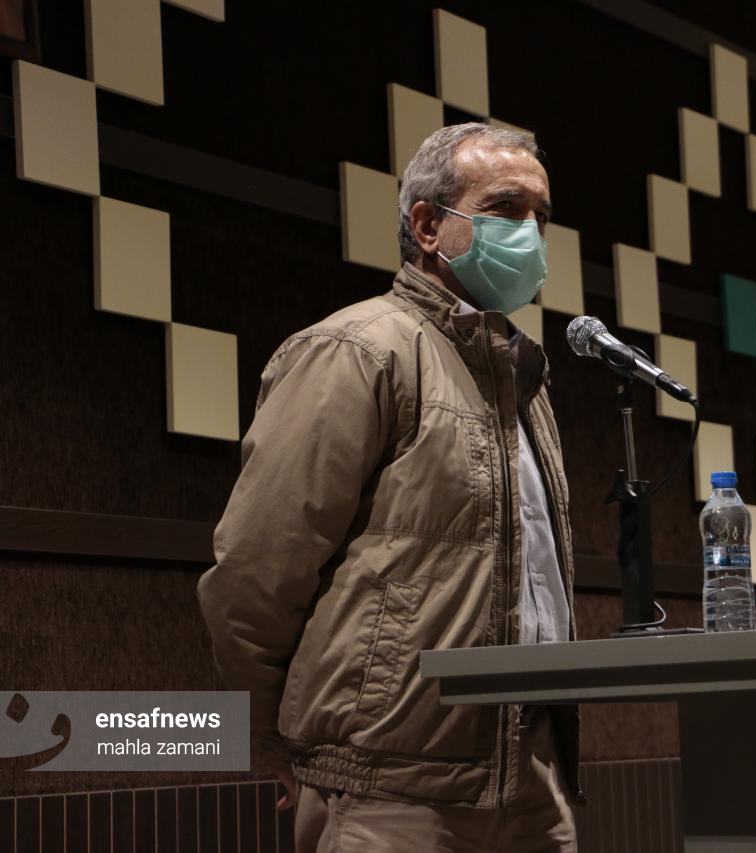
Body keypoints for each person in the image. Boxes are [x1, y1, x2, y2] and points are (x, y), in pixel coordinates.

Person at [196, 122, 580, 852]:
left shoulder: (523, 377)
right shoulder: (357, 350)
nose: (530, 233)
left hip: (530, 775)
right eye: (505, 209)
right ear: (428, 225)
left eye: (541, 216)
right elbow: (256, 568)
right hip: (388, 785)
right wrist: (267, 734)